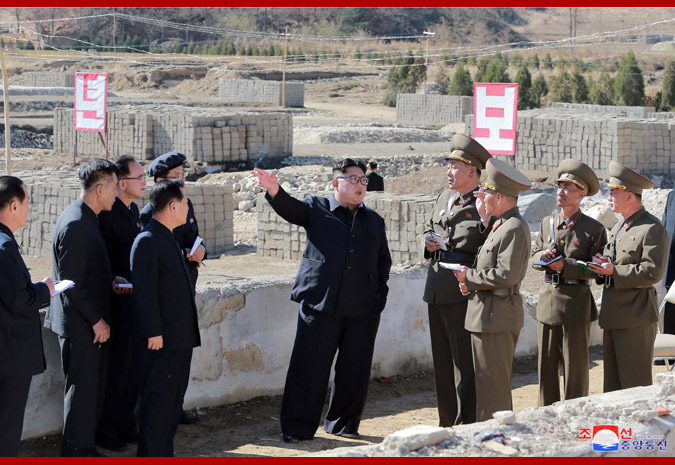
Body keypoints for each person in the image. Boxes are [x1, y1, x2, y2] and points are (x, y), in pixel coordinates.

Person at [252, 158, 391, 443]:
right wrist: (275, 189)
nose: (359, 185)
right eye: (353, 179)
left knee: (354, 371)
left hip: (362, 310)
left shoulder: (374, 221)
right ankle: (297, 428)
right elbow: (292, 210)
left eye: (363, 180)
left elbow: (382, 265)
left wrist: (378, 299)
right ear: (335, 183)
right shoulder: (317, 208)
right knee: (308, 369)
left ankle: (343, 424)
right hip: (320, 306)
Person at [44, 159, 131, 456]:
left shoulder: (87, 217)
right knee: (81, 392)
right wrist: (97, 320)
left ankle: (84, 447)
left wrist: (110, 279)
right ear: (99, 188)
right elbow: (70, 283)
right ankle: (76, 452)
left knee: (90, 390)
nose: (116, 195)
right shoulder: (77, 224)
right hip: (80, 325)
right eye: (112, 188)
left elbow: (87, 272)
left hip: (85, 322)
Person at [453, 158, 532, 422]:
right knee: (485, 385)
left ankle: (497, 438)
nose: (481, 196)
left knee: (494, 388)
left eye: (485, 192)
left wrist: (469, 277)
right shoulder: (500, 224)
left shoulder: (514, 228)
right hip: (486, 313)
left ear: (498, 197)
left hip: (496, 316)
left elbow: (506, 274)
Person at [422, 133, 492, 426]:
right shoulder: (443, 197)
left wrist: (486, 219)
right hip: (437, 288)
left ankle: (468, 423)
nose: (449, 172)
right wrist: (427, 244)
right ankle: (447, 422)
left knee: (465, 362)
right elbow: (428, 228)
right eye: (448, 166)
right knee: (441, 364)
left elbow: (489, 246)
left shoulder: (485, 202)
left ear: (472, 171)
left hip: (463, 292)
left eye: (455, 167)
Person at [131, 180, 201, 457]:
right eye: (184, 203)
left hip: (179, 338)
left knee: (170, 406)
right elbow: (145, 293)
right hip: (163, 341)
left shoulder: (167, 237)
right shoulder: (147, 240)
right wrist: (153, 333)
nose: (187, 208)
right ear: (172, 206)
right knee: (158, 406)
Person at [531, 159, 607, 406]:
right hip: (548, 303)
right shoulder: (547, 223)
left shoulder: (594, 229)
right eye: (559, 186)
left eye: (568, 188)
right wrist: (542, 257)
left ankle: (575, 414)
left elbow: (599, 272)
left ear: (581, 194)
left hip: (576, 305)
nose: (561, 192)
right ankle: (546, 416)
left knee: (575, 372)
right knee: (546, 370)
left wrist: (567, 266)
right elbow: (534, 255)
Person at [589, 161, 667, 393]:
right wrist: (601, 266)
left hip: (636, 316)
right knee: (612, 386)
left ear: (629, 196)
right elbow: (613, 263)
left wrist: (614, 270)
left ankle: (638, 431)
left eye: (614, 192)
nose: (609, 196)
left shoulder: (651, 228)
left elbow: (653, 272)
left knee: (635, 386)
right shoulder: (619, 227)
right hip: (614, 315)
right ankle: (616, 430)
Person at [139, 151, 205, 425]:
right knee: (164, 369)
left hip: (186, 286)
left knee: (182, 364)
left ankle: (175, 410)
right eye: (176, 177)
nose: (182, 181)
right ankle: (159, 418)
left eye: (183, 175)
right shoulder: (149, 216)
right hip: (167, 300)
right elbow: (158, 254)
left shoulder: (185, 205)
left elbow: (195, 237)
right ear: (160, 181)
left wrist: (201, 251)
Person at [0, 176, 54, 456]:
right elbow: (19, 299)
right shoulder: (5, 247)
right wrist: (45, 290)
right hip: (10, 354)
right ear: (12, 206)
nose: (29, 209)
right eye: (26, 203)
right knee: (7, 428)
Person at [95, 156, 146, 451]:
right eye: (138, 178)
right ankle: (107, 430)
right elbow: (104, 259)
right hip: (117, 302)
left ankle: (127, 423)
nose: (144, 182)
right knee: (116, 371)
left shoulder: (133, 210)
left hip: (135, 300)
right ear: (121, 183)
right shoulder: (107, 214)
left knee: (133, 369)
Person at [660, 189, 675, 337]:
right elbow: (665, 229)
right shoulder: (672, 195)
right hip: (671, 266)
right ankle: (669, 353)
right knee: (671, 310)